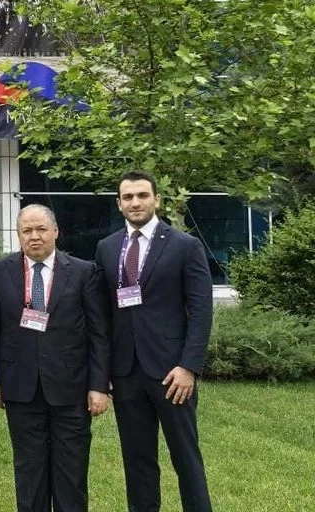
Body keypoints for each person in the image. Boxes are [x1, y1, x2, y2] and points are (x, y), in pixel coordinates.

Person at [97, 171, 213, 512]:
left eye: (142, 195)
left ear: (157, 199)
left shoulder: (185, 246)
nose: (135, 202)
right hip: (126, 372)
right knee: (137, 462)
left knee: (186, 458)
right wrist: (103, 371)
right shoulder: (107, 248)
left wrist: (189, 366)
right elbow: (102, 313)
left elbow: (201, 311)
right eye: (128, 197)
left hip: (172, 374)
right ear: (119, 204)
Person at [0, 205, 110, 512]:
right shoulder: (0, 271)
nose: (34, 236)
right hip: (20, 388)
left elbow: (98, 333)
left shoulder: (83, 271)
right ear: (18, 235)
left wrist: (99, 385)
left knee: (71, 473)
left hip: (72, 389)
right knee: (29, 473)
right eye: (27, 231)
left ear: (56, 231)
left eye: (41, 229)